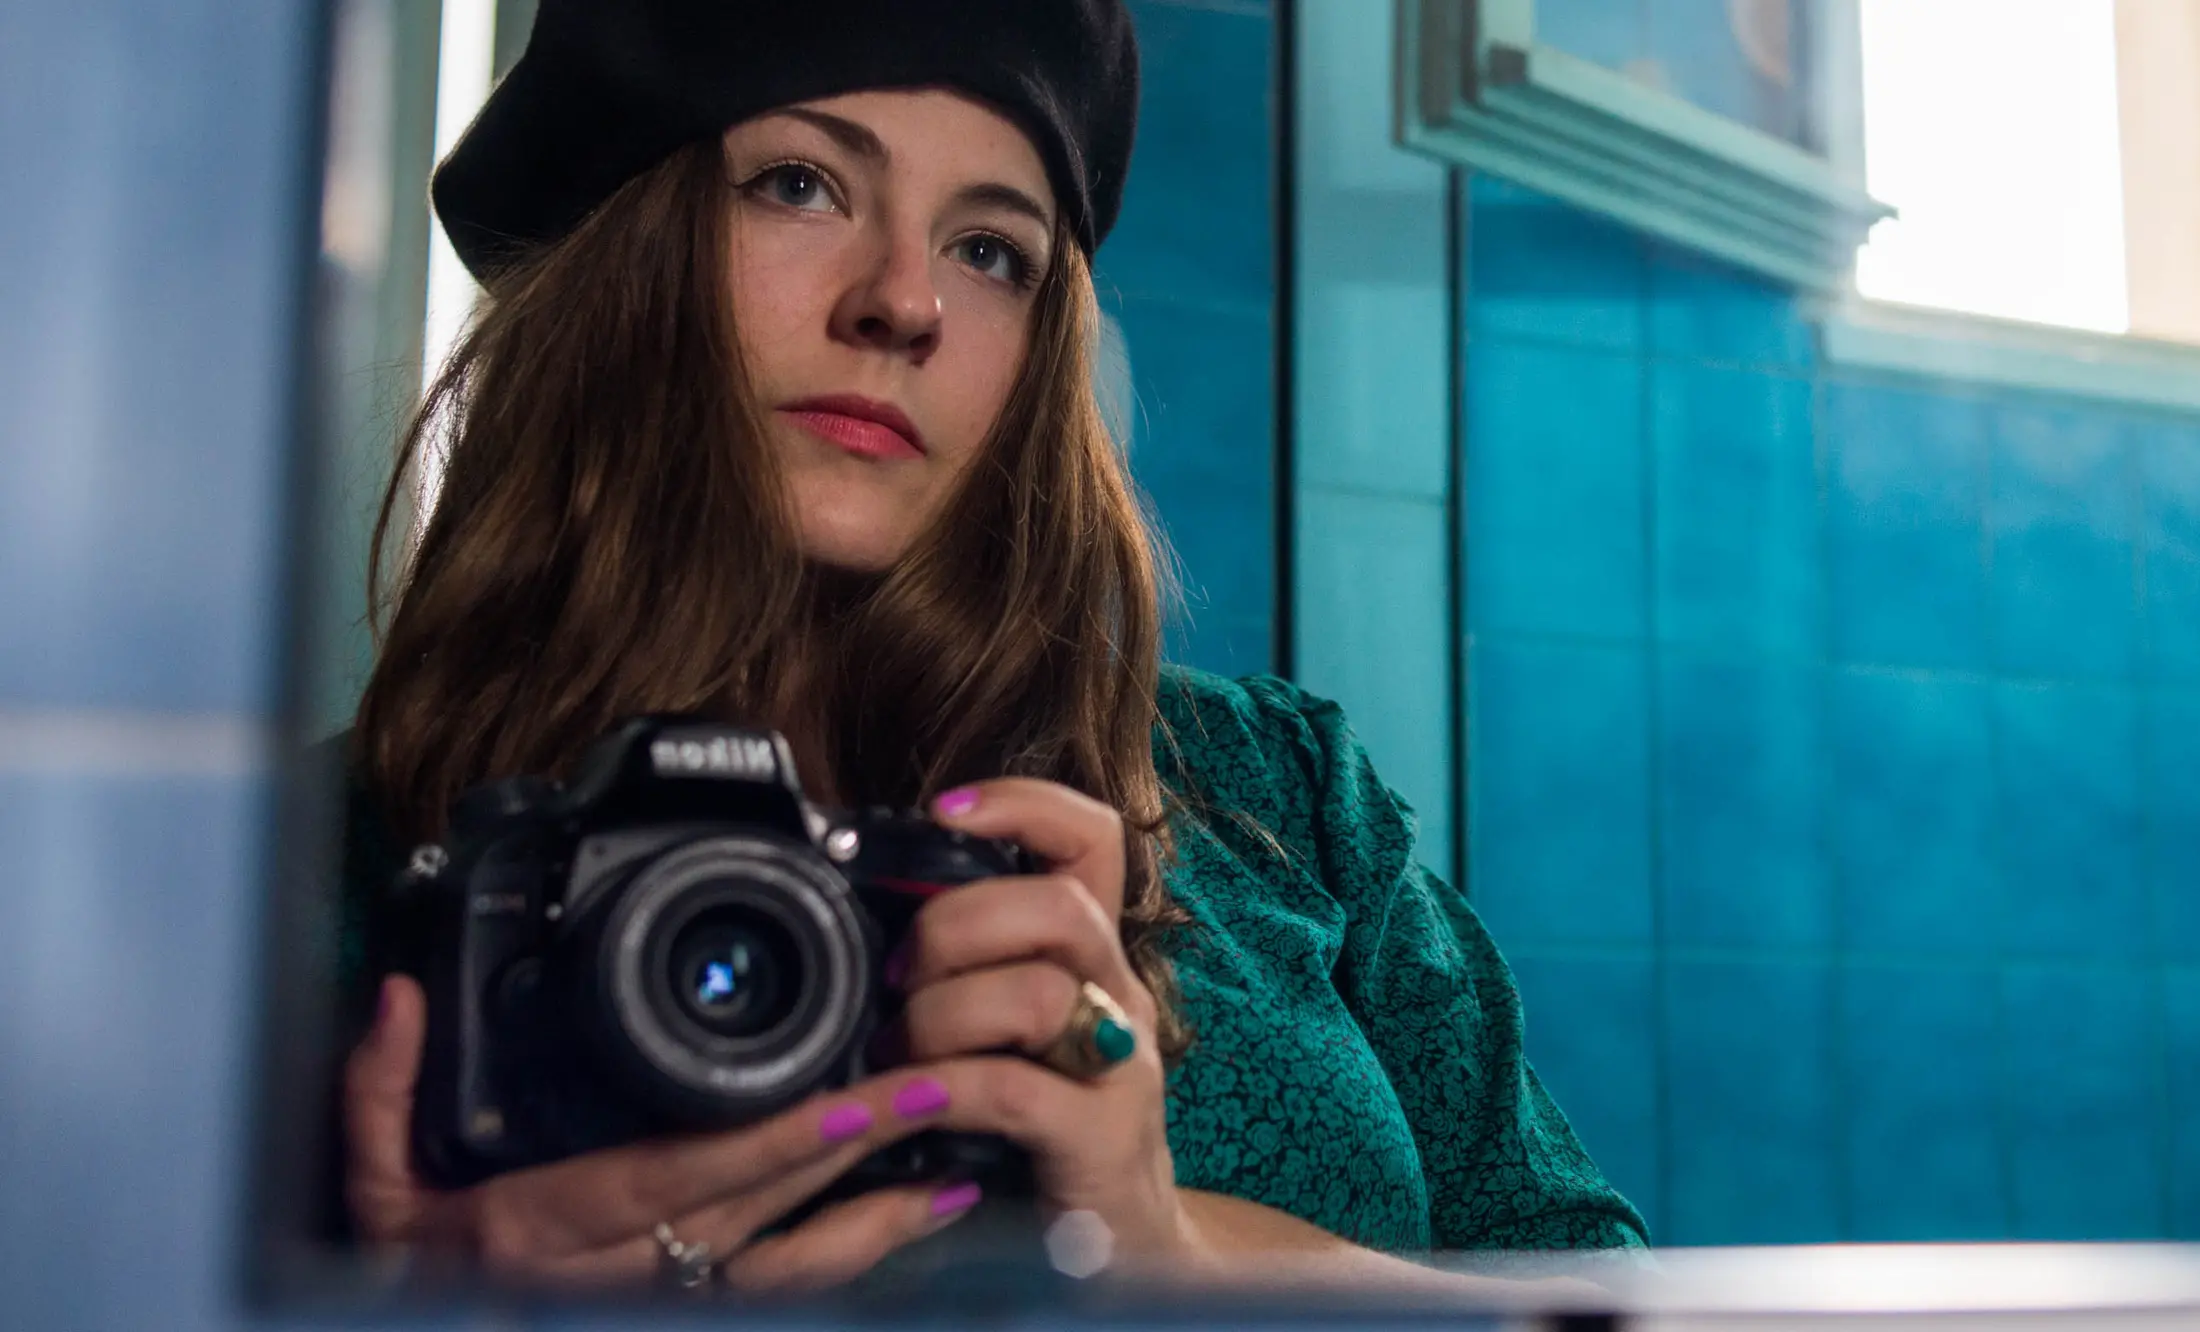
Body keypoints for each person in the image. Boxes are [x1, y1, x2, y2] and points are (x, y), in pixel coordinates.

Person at [330, 0, 1645, 1298]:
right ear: (628, 249)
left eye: (990, 251)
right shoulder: (316, 856)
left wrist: (1160, 1252)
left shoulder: (1279, 796)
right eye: (800, 184)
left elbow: (1630, 1302)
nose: (905, 302)